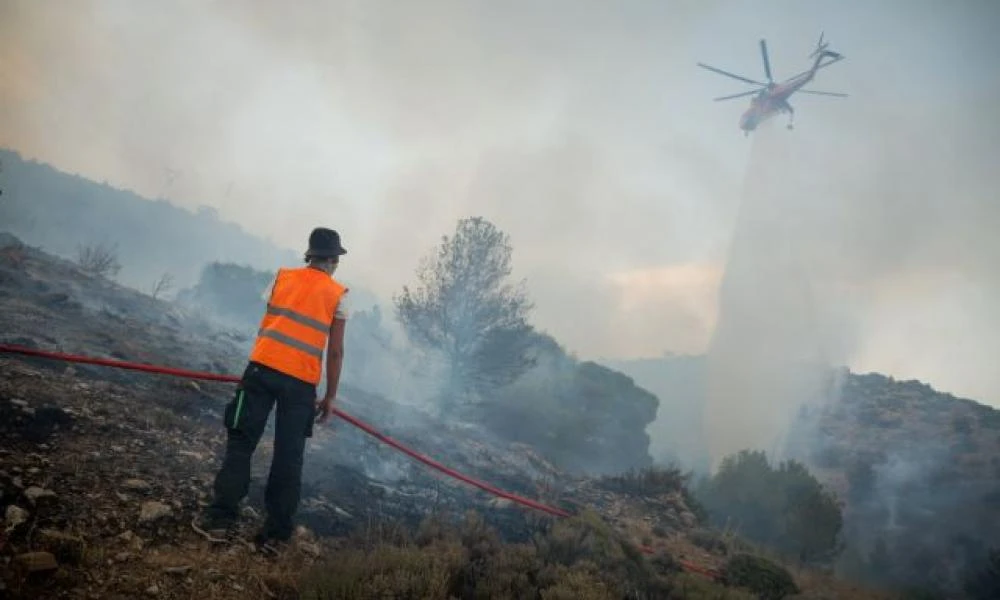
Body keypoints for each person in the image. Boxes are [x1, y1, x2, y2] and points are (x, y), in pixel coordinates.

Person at [195, 227, 350, 552]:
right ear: (334, 260)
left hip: (262, 370)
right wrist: (330, 396)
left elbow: (269, 320)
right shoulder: (339, 295)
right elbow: (335, 352)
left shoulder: (282, 277)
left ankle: (221, 518)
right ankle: (276, 535)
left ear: (309, 255)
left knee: (241, 442)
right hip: (301, 384)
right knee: (288, 457)